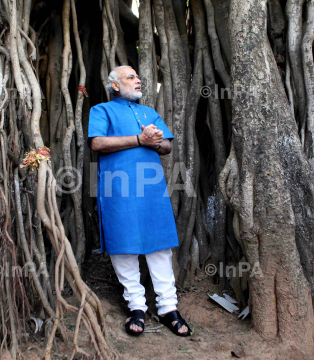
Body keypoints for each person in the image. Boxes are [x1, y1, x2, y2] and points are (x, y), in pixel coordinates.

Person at [87, 65, 191, 337]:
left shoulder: (149, 113)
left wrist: (156, 142)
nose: (138, 80)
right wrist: (139, 139)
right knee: (123, 245)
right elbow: (97, 144)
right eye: (130, 77)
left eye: (137, 76)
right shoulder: (101, 110)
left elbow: (166, 146)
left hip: (151, 188)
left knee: (160, 245)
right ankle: (137, 308)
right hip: (117, 186)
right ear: (115, 86)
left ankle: (169, 308)